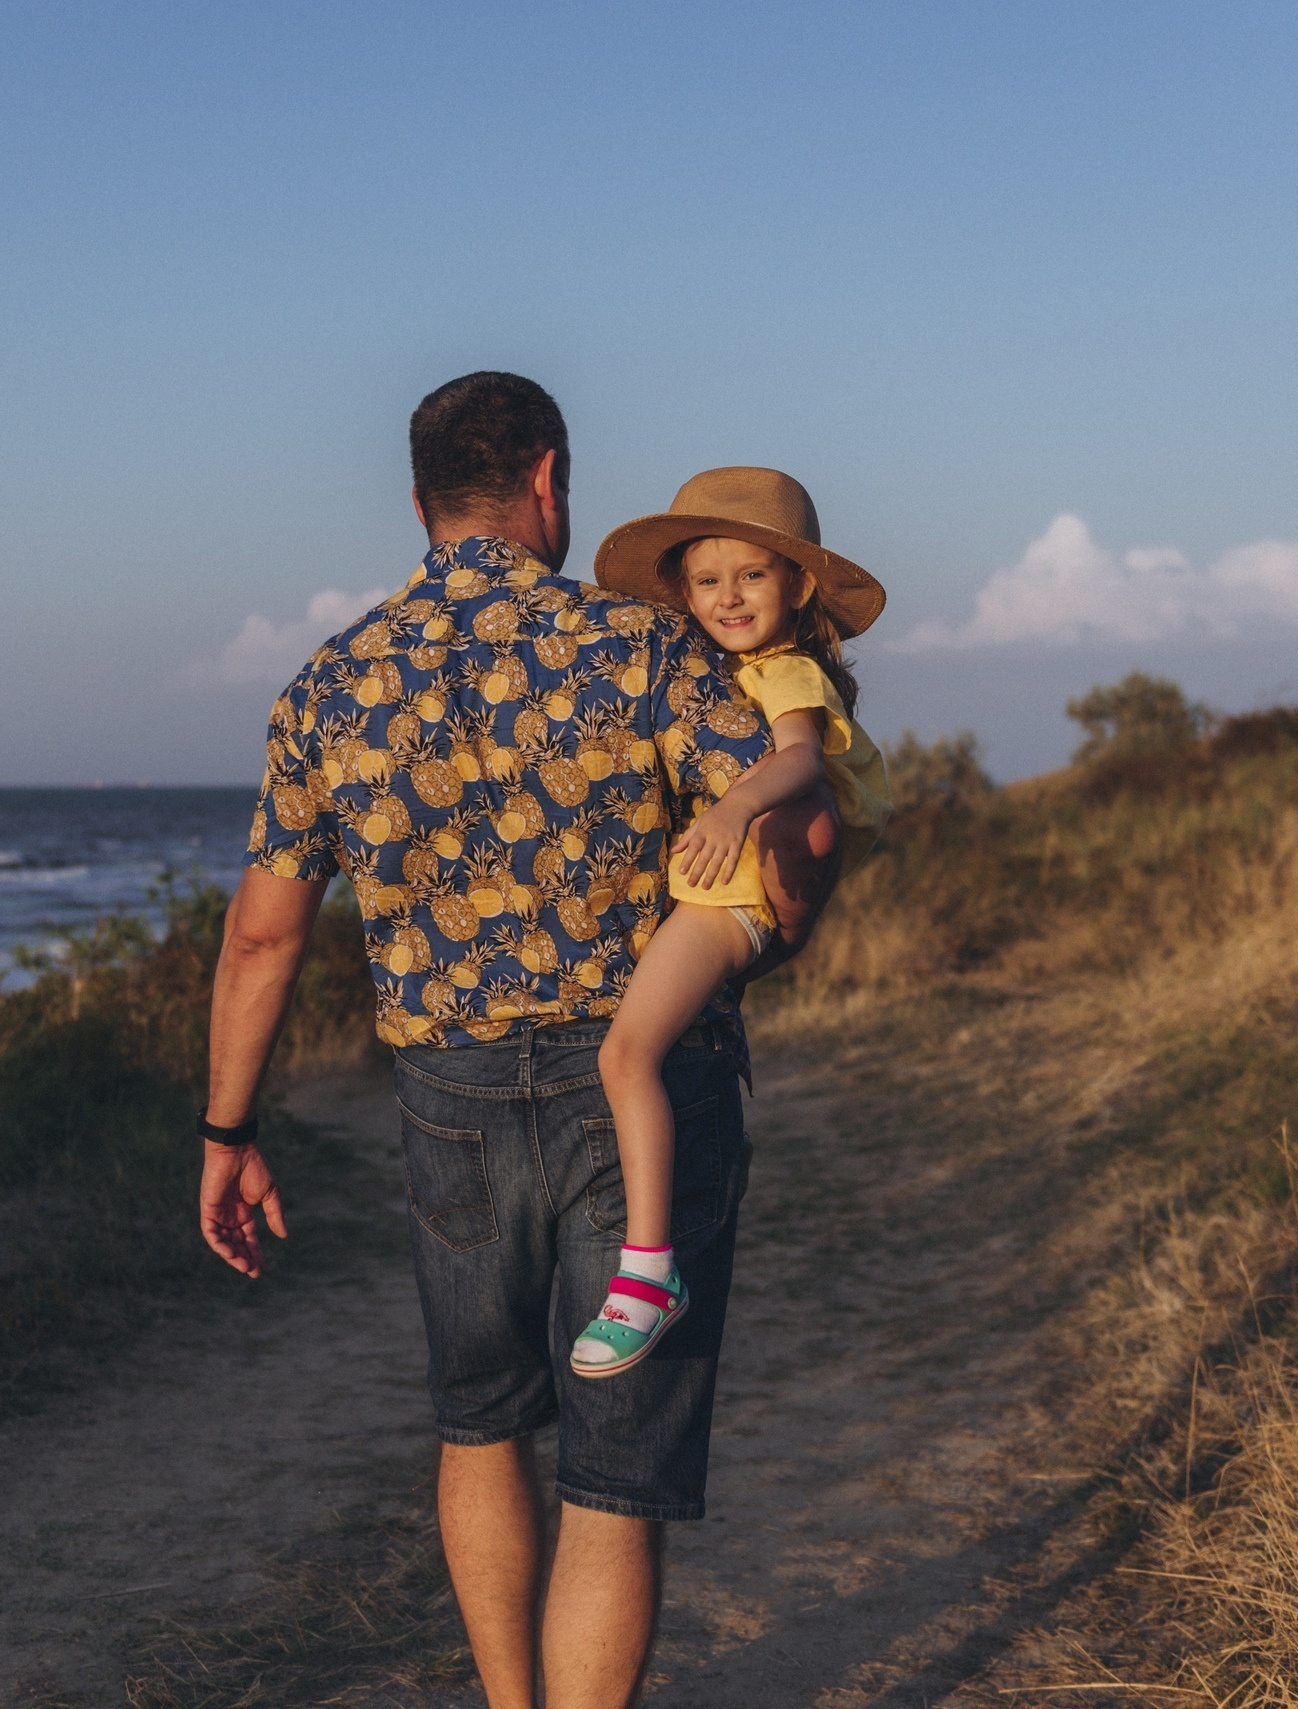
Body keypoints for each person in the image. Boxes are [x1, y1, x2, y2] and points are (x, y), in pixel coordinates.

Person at [197, 373, 840, 1709]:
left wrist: (229, 1129)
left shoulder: (332, 681)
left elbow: (263, 936)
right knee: (614, 1473)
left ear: (420, 498)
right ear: (549, 480)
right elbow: (793, 841)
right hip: (646, 1076)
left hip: (450, 1099)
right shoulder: (647, 650)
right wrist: (768, 924)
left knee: (479, 1424)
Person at [566, 469, 891, 1379]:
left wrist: (730, 810)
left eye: (751, 575)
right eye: (708, 581)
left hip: (735, 894)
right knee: (643, 1046)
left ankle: (644, 1272)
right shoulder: (718, 672)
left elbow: (802, 770)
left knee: (624, 1055)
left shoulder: (785, 671)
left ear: (797, 587)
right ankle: (648, 1262)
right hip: (728, 892)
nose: (729, 597)